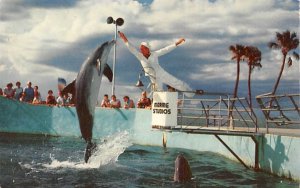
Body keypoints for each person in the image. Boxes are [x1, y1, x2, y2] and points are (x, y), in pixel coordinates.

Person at [118, 31, 193, 96]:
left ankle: (191, 93)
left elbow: (165, 49)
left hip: (161, 73)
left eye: (142, 49)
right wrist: (124, 38)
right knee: (157, 91)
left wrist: (177, 43)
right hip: (152, 76)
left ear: (147, 49)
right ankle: (159, 106)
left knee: (176, 83)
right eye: (140, 49)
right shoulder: (140, 56)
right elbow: (132, 49)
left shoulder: (154, 54)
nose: (141, 50)